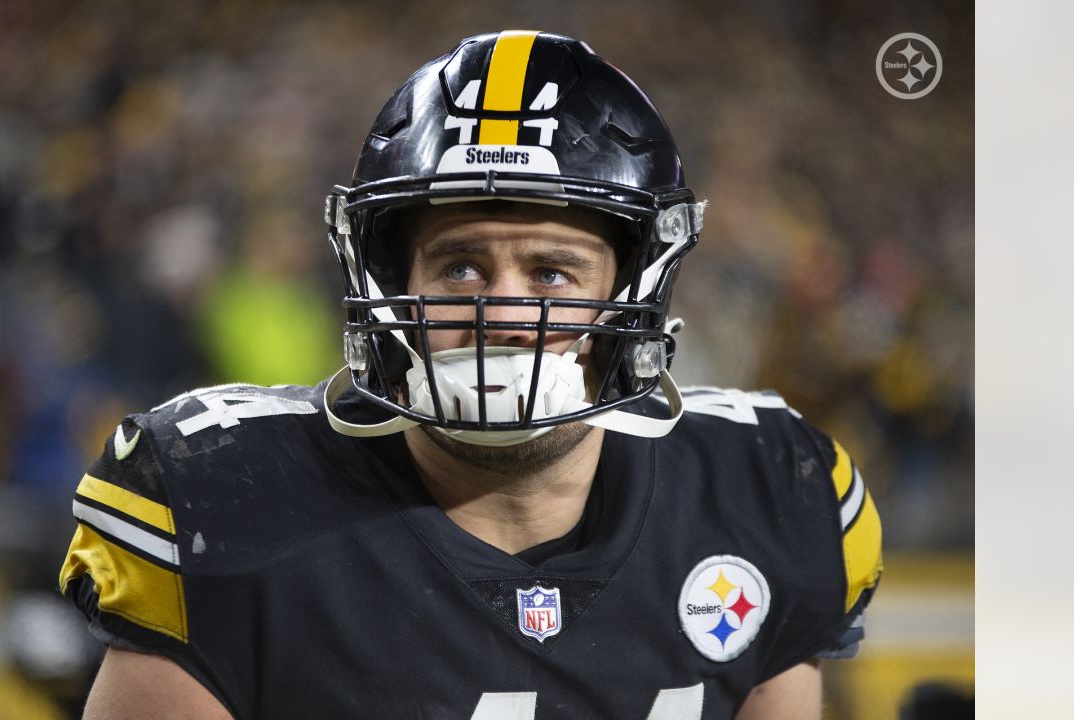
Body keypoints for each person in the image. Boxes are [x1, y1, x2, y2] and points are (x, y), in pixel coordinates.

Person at [59, 30, 881, 720]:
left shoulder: (766, 491)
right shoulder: (223, 501)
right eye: (459, 267)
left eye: (553, 273)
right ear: (389, 281)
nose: (503, 309)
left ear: (632, 292)